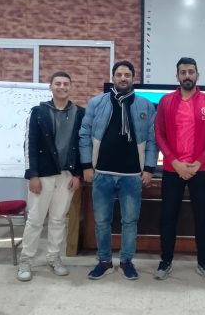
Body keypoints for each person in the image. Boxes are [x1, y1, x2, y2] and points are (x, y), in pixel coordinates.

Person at [79, 60, 157, 280]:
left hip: (132, 176)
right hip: (102, 173)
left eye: (127, 75)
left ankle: (126, 261)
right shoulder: (97, 103)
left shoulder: (146, 105)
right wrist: (86, 166)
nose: (123, 78)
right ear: (113, 77)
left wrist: (149, 168)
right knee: (101, 221)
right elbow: (84, 134)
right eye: (119, 74)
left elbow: (152, 140)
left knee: (130, 222)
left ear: (133, 78)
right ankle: (104, 261)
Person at [153, 57, 205, 282]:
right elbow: (159, 133)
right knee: (168, 217)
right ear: (177, 76)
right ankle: (165, 262)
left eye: (191, 71)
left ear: (197, 75)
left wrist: (200, 162)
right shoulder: (166, 101)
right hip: (172, 169)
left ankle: (204, 263)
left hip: (200, 170)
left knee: (203, 218)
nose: (187, 76)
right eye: (183, 72)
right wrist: (174, 162)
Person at [16, 71, 86, 282]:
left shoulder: (80, 113)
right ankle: (25, 260)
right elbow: (30, 144)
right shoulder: (38, 112)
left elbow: (82, 146)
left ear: (70, 87)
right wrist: (32, 175)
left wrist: (78, 174)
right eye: (58, 83)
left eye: (66, 84)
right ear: (51, 87)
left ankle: (54, 258)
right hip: (43, 175)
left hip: (67, 176)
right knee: (35, 220)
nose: (62, 87)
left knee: (58, 219)